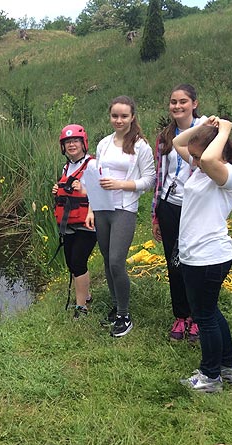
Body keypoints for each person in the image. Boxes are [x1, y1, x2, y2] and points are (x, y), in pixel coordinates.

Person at [173, 117, 232, 393]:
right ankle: (229, 367)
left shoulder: (229, 175)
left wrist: (225, 130)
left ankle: (210, 376)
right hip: (196, 256)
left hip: (208, 257)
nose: (193, 161)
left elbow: (207, 159)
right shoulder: (202, 169)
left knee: (203, 316)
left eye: (197, 156)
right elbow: (177, 142)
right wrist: (205, 126)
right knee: (210, 312)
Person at [85, 96, 155, 337]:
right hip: (102, 208)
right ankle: (115, 306)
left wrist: (121, 184)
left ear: (132, 117)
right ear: (110, 116)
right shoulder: (104, 144)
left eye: (124, 116)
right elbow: (95, 177)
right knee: (106, 259)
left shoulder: (140, 146)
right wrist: (91, 209)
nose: (119, 120)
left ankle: (125, 314)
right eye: (115, 115)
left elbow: (149, 180)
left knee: (116, 261)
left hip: (124, 209)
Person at [151, 84, 207, 343]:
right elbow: (160, 177)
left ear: (194, 103)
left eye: (183, 101)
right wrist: (155, 214)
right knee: (173, 261)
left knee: (193, 261)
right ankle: (181, 315)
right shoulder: (164, 136)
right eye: (173, 102)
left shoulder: (206, 132)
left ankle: (197, 316)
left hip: (194, 205)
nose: (177, 106)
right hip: (168, 204)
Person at [52, 124, 97, 320]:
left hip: (87, 223)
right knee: (71, 262)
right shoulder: (67, 167)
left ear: (83, 143)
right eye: (68, 142)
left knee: (78, 262)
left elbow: (101, 193)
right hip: (69, 222)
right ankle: (86, 295)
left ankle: (81, 307)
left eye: (75, 141)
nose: (72, 145)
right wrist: (58, 189)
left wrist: (83, 190)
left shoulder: (92, 165)